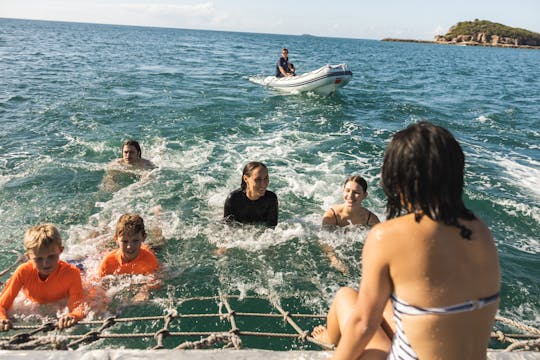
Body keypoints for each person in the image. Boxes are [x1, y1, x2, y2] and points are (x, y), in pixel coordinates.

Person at [312, 121, 501, 360]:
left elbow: (363, 325)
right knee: (386, 303)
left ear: (399, 179)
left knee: (346, 296)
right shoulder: (479, 229)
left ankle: (330, 339)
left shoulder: (387, 236)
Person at [0, 224, 87, 331]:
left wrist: (74, 316)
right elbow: (1, 305)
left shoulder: (72, 273)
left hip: (72, 272)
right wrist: (2, 318)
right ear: (28, 257)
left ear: (60, 251)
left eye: (51, 256)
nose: (46, 263)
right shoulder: (23, 271)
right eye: (38, 259)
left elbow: (79, 307)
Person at [321, 175, 380, 274]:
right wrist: (334, 259)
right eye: (347, 191)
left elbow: (380, 244)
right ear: (343, 191)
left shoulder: (371, 219)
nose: (350, 196)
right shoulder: (331, 216)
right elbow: (325, 242)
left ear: (364, 195)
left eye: (356, 192)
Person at [97, 214, 160, 303]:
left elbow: (155, 281)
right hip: (114, 251)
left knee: (158, 242)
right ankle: (103, 227)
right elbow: (98, 287)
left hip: (149, 249)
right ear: (116, 239)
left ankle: (157, 214)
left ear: (143, 238)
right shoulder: (107, 262)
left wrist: (144, 291)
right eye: (124, 241)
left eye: (135, 241)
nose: (130, 246)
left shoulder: (149, 260)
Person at [224, 162, 278, 227]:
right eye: (258, 179)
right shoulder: (233, 199)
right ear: (246, 179)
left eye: (266, 178)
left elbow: (272, 227)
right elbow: (227, 228)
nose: (263, 184)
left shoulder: (271, 199)